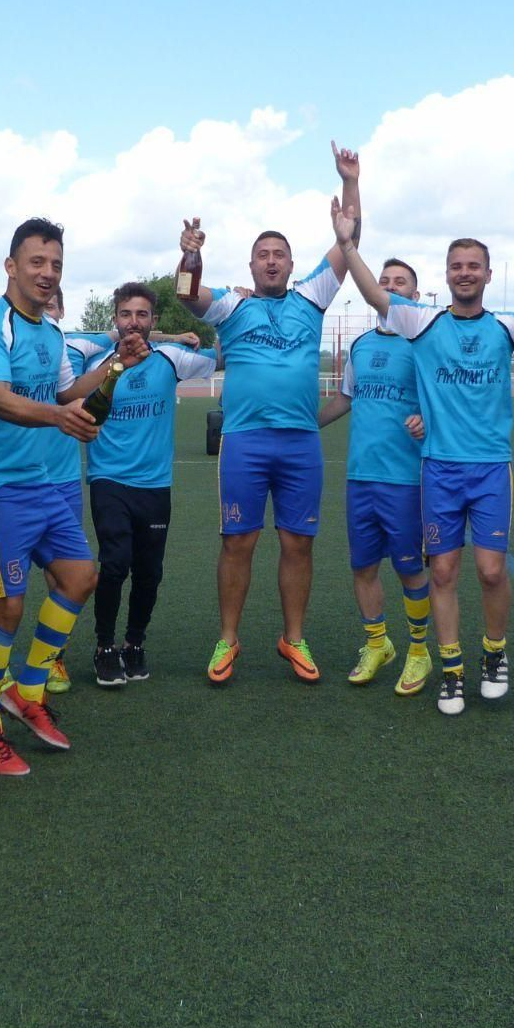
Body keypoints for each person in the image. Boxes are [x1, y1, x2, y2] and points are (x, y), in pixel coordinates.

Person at [335, 203, 514, 718]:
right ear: (446, 274)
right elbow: (373, 293)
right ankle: (450, 669)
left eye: (474, 265)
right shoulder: (422, 322)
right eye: (456, 265)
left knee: (492, 570)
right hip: (438, 468)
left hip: (491, 467)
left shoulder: (508, 326)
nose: (465, 273)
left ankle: (494, 656)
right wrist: (347, 246)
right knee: (444, 572)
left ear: (488, 274)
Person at [0, 218, 145, 775]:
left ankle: (29, 688)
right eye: (36, 262)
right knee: (7, 606)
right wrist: (60, 418)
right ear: (11, 266)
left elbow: (66, 390)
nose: (47, 272)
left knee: (81, 576)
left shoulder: (52, 334)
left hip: (36, 483)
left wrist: (116, 365)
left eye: (55, 264)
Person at [178, 141, 362, 684]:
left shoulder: (312, 297)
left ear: (291, 263)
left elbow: (350, 238)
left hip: (300, 443)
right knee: (238, 541)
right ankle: (228, 639)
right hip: (245, 440)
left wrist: (350, 181)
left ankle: (293, 638)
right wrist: (190, 252)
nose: (273, 260)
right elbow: (186, 292)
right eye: (264, 254)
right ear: (253, 264)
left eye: (280, 253)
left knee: (297, 542)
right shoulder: (234, 307)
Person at [85, 282, 217, 686]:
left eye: (142, 315)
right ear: (115, 319)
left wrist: (236, 312)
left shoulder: (171, 359)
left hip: (155, 485)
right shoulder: (98, 364)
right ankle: (105, 647)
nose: (134, 322)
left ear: (153, 321)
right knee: (114, 563)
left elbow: (224, 355)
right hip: (108, 479)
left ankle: (134, 643)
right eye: (126, 314)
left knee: (149, 572)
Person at [317, 257, 434, 694]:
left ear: (415, 296)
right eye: (384, 281)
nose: (389, 287)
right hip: (360, 478)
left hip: (405, 479)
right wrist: (303, 425)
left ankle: (419, 652)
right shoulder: (361, 346)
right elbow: (345, 399)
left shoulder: (424, 345)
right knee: (363, 566)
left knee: (409, 569)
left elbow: (444, 404)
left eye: (400, 283)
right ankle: (377, 643)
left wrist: (427, 420)